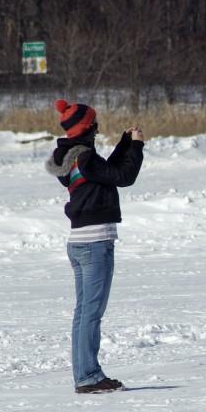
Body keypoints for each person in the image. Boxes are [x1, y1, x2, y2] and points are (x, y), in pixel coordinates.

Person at [45, 99, 144, 393]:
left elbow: (108, 173)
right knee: (91, 313)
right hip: (94, 243)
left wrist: (126, 144)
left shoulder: (74, 158)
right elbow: (124, 177)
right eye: (95, 124)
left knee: (83, 312)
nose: (99, 129)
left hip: (79, 242)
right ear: (88, 128)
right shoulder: (85, 158)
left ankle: (84, 375)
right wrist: (137, 148)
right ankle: (88, 376)